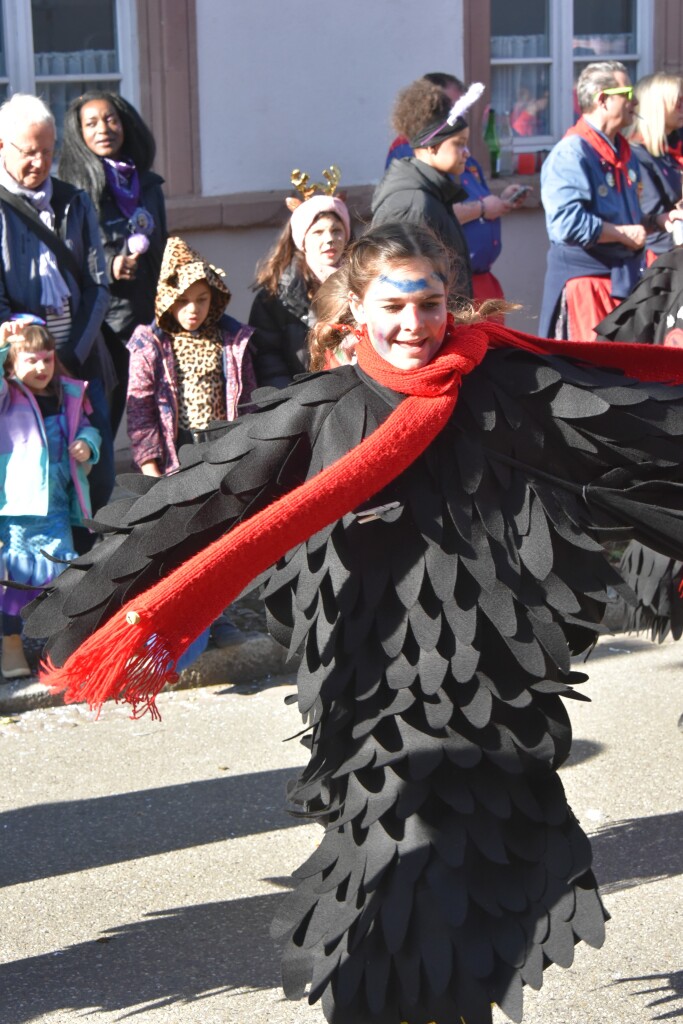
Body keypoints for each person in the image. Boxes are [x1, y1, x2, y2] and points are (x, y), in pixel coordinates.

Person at [24, 221, 683, 1024]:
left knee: (482, 888)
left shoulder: (510, 390)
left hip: (499, 694)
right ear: (355, 315)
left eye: (432, 305)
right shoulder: (322, 410)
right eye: (395, 307)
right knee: (391, 879)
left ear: (454, 304)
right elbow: (191, 507)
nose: (415, 326)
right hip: (376, 695)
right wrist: (77, 614)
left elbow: (641, 434)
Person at [0, 93, 114, 518]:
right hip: (23, 377)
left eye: (49, 152)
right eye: (30, 153)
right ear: (2, 147)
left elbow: (98, 286)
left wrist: (67, 356)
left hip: (80, 365)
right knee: (38, 488)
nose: (40, 163)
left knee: (95, 475)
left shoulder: (74, 200)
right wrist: (36, 354)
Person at [539, 61, 683, 340]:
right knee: (592, 374)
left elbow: (626, 215)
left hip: (620, 281)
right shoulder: (571, 152)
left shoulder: (620, 149)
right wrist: (623, 234)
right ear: (602, 99)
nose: (635, 101)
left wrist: (658, 221)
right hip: (588, 285)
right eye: (627, 93)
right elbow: (565, 224)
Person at [58, 90, 168, 436]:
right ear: (79, 134)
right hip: (104, 324)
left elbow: (163, 242)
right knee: (102, 418)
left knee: (159, 413)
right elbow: (69, 252)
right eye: (91, 123)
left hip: (149, 311)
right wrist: (110, 265)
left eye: (110, 119)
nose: (103, 129)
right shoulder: (74, 190)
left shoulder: (148, 185)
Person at [0, 318, 100, 679]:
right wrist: (0, 345)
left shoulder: (67, 394)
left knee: (60, 576)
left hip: (58, 505)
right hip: (18, 508)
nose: (41, 367)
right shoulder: (7, 396)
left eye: (47, 358)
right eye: (30, 360)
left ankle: (59, 647)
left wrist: (88, 445)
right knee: (16, 576)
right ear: (11, 364)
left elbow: (88, 427)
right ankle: (11, 644)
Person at [385, 72, 527, 304]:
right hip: (444, 293)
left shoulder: (455, 152)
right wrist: (481, 208)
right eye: (450, 106)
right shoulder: (412, 156)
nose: (457, 112)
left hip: (475, 284)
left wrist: (499, 201)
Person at [126, 235, 256, 477]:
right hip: (175, 454)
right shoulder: (150, 344)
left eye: (202, 300)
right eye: (183, 301)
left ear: (214, 297)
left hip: (223, 452)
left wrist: (247, 451)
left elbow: (248, 399)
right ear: (168, 300)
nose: (193, 309)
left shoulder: (233, 340)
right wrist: (149, 464)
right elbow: (140, 410)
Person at [372, 77, 476, 300]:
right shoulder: (413, 204)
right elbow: (405, 290)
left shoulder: (432, 195)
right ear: (431, 146)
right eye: (458, 144)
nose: (467, 153)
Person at [249, 176, 351, 387]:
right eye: (318, 232)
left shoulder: (364, 284)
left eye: (336, 230)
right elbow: (268, 361)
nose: (329, 239)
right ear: (302, 240)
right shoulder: (277, 297)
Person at [626, 72, 683, 264]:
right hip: (661, 260)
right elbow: (650, 218)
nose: (682, 107)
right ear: (656, 107)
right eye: (677, 101)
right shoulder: (637, 155)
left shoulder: (667, 150)